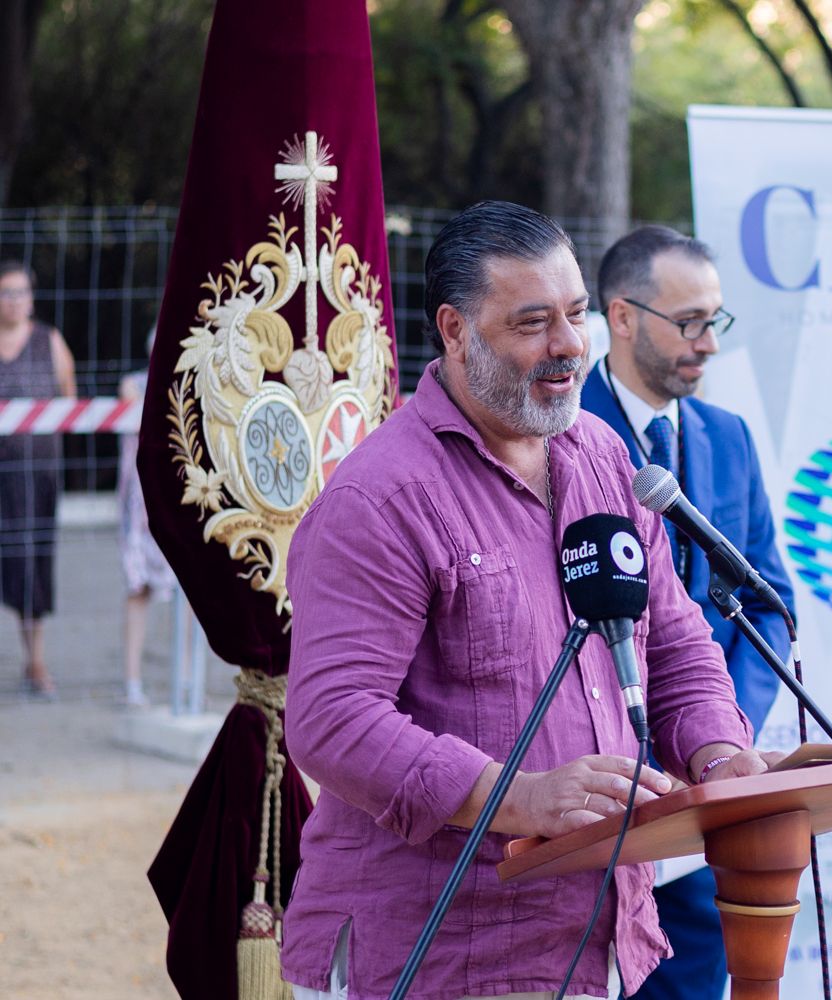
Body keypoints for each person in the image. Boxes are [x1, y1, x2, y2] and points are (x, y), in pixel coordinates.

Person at [282, 201, 780, 1000]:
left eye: (577, 314)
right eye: (532, 323)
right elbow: (332, 718)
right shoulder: (381, 497)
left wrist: (721, 756)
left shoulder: (603, 458)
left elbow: (675, 646)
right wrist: (514, 798)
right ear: (455, 329)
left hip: (593, 944)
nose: (569, 347)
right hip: (434, 955)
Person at [583, 226, 795, 1000]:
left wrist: (716, 733)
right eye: (691, 321)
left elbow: (771, 601)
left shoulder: (728, 438)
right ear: (623, 316)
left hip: (711, 795)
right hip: (608, 794)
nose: (708, 342)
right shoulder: (563, 436)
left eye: (717, 321)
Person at [0, 261, 76, 698]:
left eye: (20, 292)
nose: (13, 300)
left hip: (39, 474)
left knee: (33, 564)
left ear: (31, 297)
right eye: (6, 292)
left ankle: (36, 660)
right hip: (4, 477)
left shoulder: (49, 340)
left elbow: (69, 400)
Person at [117, 329, 176, 708]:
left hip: (177, 502)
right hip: (138, 508)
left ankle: (183, 682)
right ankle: (132, 679)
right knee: (137, 589)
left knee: (188, 596)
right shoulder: (134, 385)